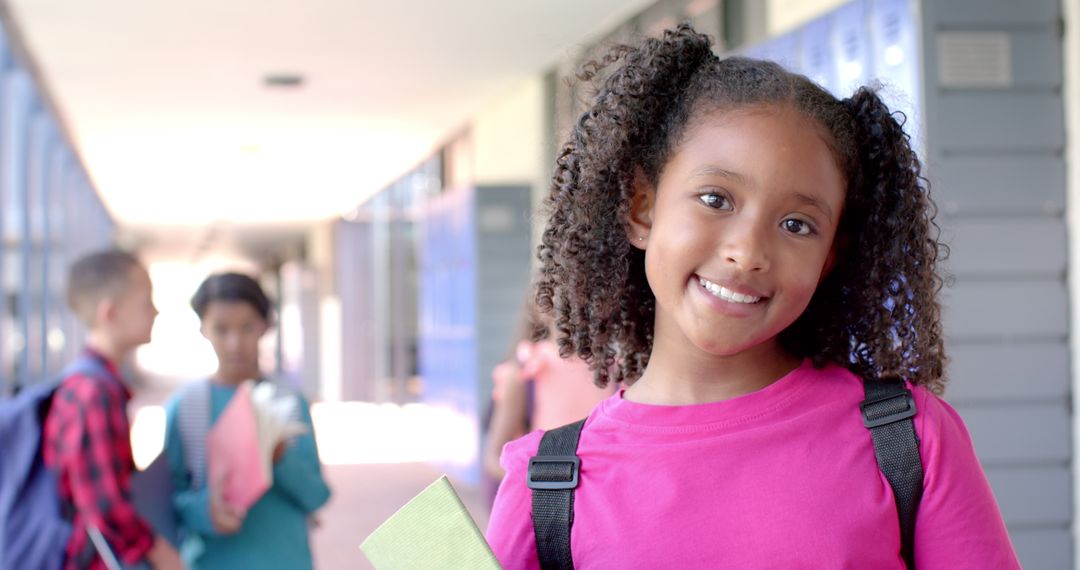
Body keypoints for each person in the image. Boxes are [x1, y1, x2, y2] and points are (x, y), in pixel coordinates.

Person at [486, 24, 1020, 569]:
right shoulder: (547, 488)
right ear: (642, 209)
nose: (748, 251)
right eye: (716, 198)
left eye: (797, 224)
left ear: (831, 255)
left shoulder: (908, 438)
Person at [162, 272, 330, 569]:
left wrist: (280, 457)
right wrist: (205, 510)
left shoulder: (288, 403)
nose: (234, 343)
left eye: (247, 327)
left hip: (285, 561)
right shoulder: (185, 407)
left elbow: (316, 495)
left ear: (266, 327)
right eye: (221, 329)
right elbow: (169, 501)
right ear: (203, 329)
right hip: (212, 561)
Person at [43, 249, 183, 569]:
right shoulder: (94, 392)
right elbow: (105, 507)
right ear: (111, 313)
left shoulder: (94, 382)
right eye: (146, 301)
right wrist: (163, 555)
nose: (156, 311)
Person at [483, 293, 613, 482]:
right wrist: (544, 481)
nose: (576, 312)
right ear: (541, 308)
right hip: (546, 502)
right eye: (565, 302)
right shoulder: (528, 369)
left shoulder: (616, 372)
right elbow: (494, 458)